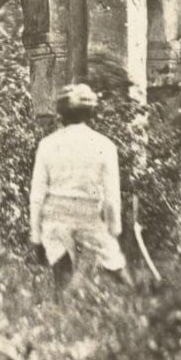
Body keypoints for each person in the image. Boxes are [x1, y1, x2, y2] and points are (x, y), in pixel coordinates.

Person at [30, 84, 128, 288]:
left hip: (55, 217)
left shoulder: (47, 144)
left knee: (62, 274)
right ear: (91, 113)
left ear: (60, 115)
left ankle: (63, 311)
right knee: (117, 269)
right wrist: (114, 230)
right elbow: (111, 198)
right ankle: (138, 306)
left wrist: (36, 236)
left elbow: (37, 195)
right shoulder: (105, 145)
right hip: (89, 216)